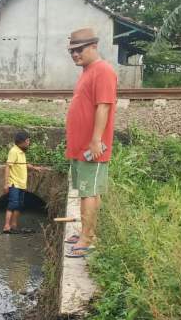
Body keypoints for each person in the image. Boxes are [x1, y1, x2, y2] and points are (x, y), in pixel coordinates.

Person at [63, 28, 117, 258]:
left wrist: (96, 140)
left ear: (94, 46)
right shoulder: (87, 71)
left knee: (89, 192)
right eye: (72, 51)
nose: (75, 54)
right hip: (80, 148)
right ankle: (87, 231)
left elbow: (103, 106)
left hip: (91, 148)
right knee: (86, 191)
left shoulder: (103, 70)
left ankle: (87, 239)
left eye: (79, 49)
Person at [2, 131, 39, 234]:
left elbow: (23, 164)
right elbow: (8, 166)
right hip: (14, 183)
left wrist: (34, 168)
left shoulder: (21, 151)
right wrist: (6, 184)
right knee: (13, 204)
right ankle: (6, 226)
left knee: (19, 205)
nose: (28, 143)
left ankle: (14, 225)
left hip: (21, 184)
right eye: (27, 141)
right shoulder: (14, 151)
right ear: (21, 142)